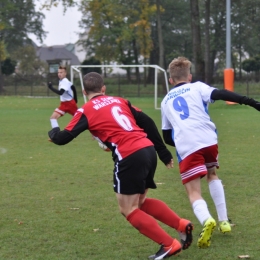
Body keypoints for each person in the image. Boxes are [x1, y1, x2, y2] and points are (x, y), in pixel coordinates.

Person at [48, 72, 193, 259]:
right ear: (103, 89)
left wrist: (53, 132)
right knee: (139, 203)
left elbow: (63, 138)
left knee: (128, 209)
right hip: (147, 150)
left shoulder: (86, 110)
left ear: (84, 91)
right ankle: (181, 225)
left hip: (130, 155)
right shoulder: (120, 101)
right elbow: (147, 122)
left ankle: (168, 244)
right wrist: (162, 152)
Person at [161, 56, 260, 249]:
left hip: (187, 145)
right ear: (189, 76)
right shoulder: (197, 87)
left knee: (193, 191)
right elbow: (222, 93)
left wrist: (181, 144)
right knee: (212, 174)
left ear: (171, 80)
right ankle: (224, 221)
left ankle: (207, 220)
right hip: (208, 139)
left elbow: (166, 136)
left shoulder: (165, 101)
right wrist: (250, 102)